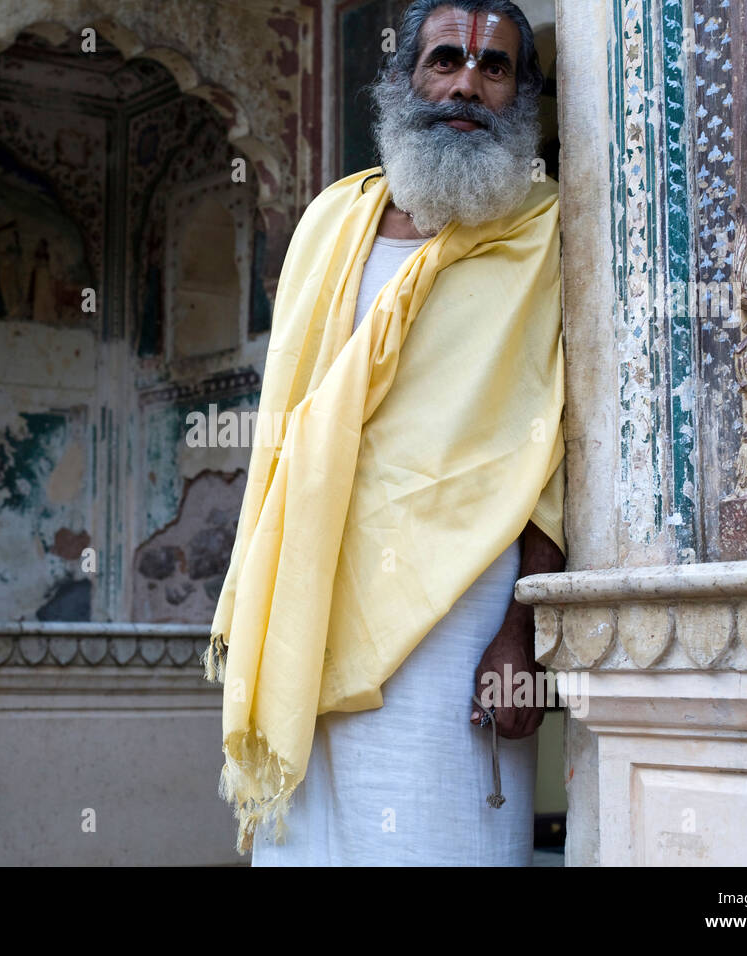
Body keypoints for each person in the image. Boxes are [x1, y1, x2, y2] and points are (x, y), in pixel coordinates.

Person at [207, 0, 566, 865]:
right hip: (311, 587)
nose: (466, 86)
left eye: (495, 68)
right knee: (313, 842)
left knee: (449, 835)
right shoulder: (333, 222)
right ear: (407, 78)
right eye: (446, 60)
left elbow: (561, 444)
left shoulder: (547, 230)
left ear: (521, 94)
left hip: (464, 607)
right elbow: (287, 431)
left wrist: (523, 635)